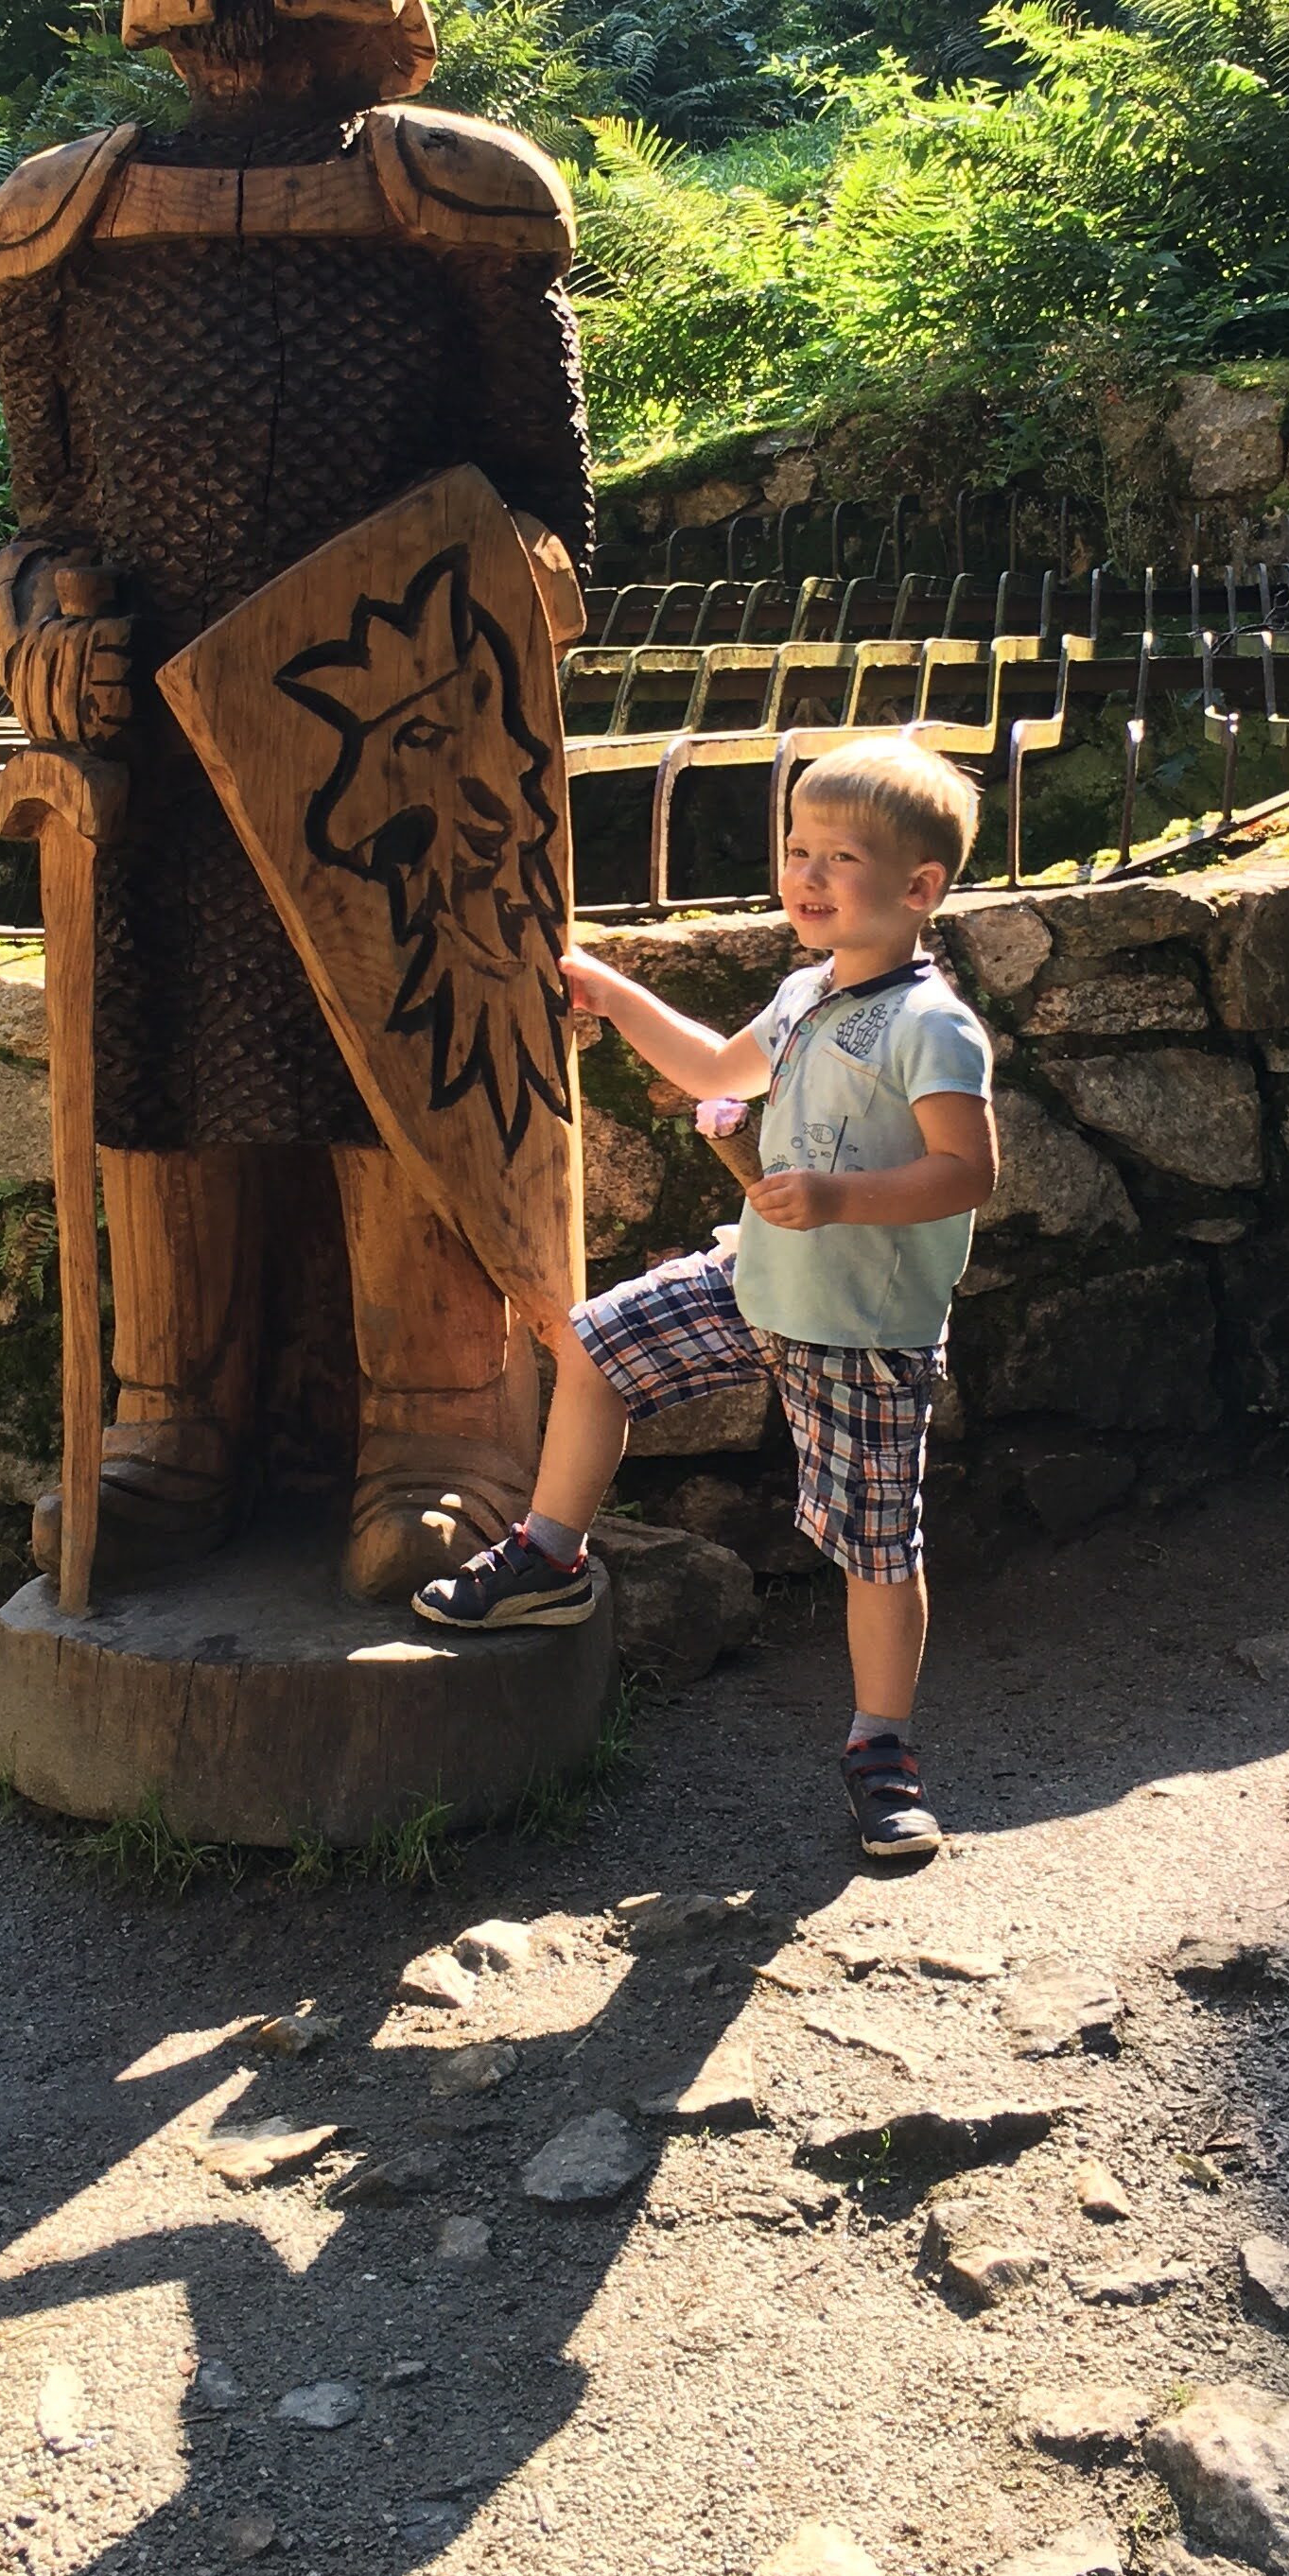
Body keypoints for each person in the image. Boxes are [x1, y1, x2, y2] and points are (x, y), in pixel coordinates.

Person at [0, 0, 592, 1603]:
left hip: (392, 761)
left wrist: (477, 625)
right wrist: (41, 630)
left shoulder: (452, 204)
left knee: (396, 1062)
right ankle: (171, 1420)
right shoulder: (63, 228)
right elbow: (41, 524)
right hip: (156, 763)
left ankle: (438, 1423)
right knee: (164, 1069)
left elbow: (548, 521)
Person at [415, 734, 996, 1862]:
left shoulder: (934, 1026)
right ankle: (548, 1555)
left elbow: (966, 1172)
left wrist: (836, 1196)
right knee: (596, 1347)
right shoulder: (806, 992)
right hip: (758, 1284)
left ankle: (882, 1751)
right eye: (798, 847)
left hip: (864, 1335)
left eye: (839, 857)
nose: (806, 874)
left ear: (920, 888)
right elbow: (719, 1071)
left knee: (878, 1551)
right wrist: (613, 992)